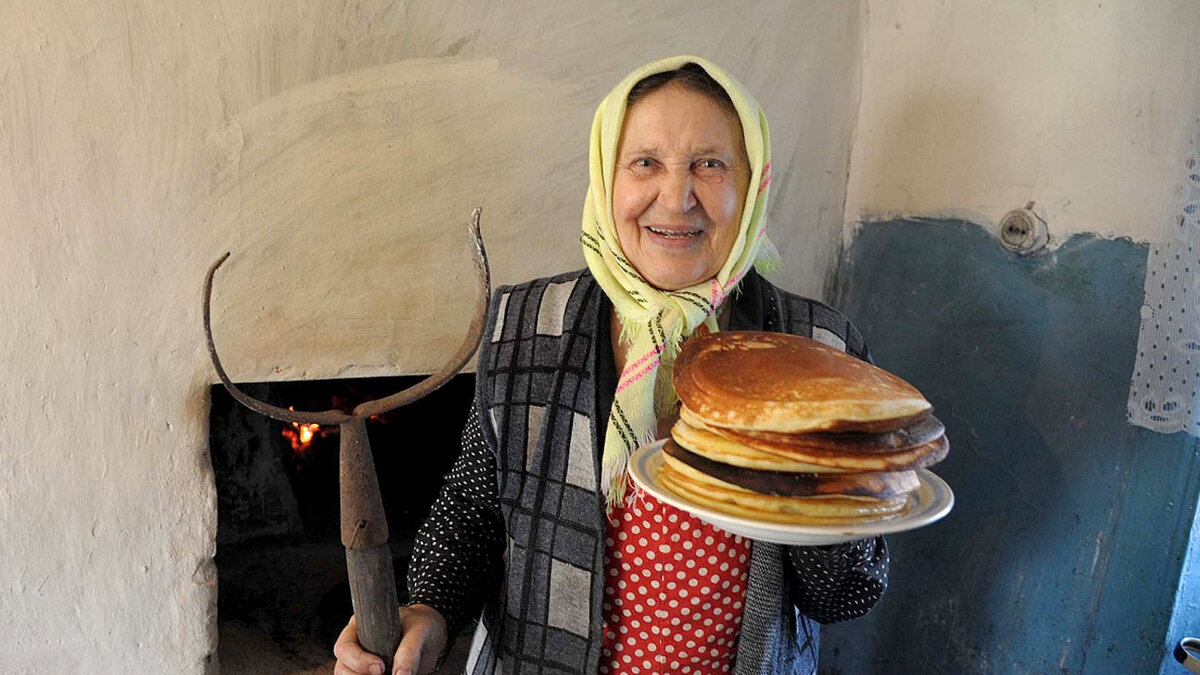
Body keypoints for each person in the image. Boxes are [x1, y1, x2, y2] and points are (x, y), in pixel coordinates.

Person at [334, 55, 887, 675]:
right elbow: (474, 510)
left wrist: (807, 484)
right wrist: (429, 612)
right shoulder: (529, 324)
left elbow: (847, 594)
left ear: (753, 184)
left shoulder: (819, 353)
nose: (676, 198)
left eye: (710, 164)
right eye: (645, 163)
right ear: (605, 179)